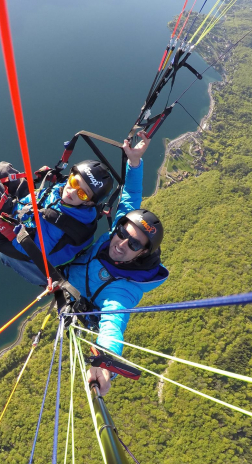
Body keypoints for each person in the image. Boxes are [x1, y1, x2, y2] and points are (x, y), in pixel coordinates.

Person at [61, 131, 169, 395]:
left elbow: (114, 322)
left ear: (142, 254)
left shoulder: (123, 289)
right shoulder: (117, 233)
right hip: (64, 269)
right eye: (122, 233)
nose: (120, 243)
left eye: (133, 244)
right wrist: (134, 162)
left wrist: (105, 360)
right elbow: (131, 195)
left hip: (69, 294)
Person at [0, 160, 114, 285]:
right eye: (74, 182)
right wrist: (53, 177)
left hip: (24, 240)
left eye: (82, 193)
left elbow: (36, 252)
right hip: (33, 207)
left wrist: (12, 234)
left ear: (89, 203)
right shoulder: (73, 200)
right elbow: (67, 190)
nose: (72, 192)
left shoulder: (61, 223)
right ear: (70, 176)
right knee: (3, 170)